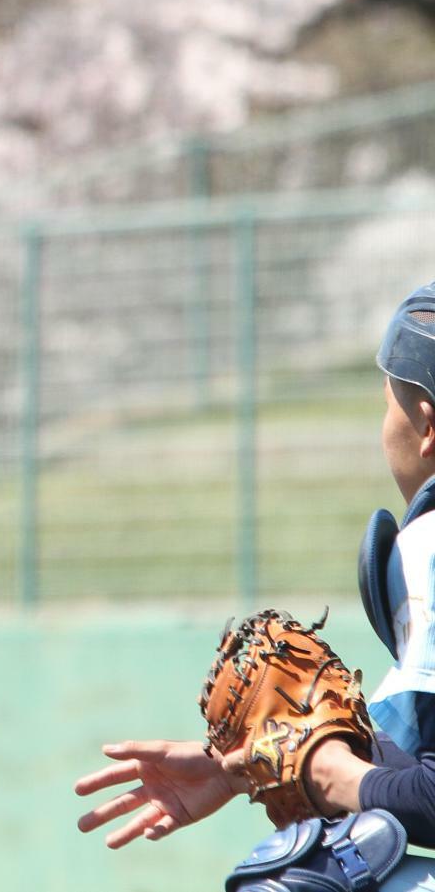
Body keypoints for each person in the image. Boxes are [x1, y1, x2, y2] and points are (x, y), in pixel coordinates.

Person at [73, 282, 435, 863]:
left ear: (426, 425)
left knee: (296, 879)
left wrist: (314, 766)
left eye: (387, 403)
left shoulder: (431, 545)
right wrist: (242, 769)